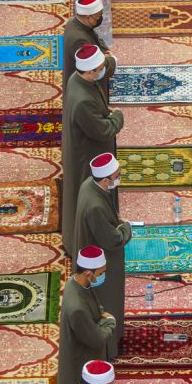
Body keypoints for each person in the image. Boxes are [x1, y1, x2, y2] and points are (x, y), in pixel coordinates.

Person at [54, 245, 117, 384]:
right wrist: (109, 323)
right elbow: (96, 338)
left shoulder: (76, 284)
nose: (103, 277)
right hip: (81, 358)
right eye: (100, 273)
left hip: (82, 352)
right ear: (89, 273)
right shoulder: (77, 307)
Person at [61, 45, 123, 258]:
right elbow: (102, 130)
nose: (102, 71)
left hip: (89, 149)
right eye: (99, 69)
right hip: (88, 152)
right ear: (89, 72)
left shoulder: (78, 80)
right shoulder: (83, 100)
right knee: (91, 199)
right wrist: (117, 117)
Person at [74, 153, 131, 349]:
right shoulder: (96, 205)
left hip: (91, 250)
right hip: (101, 259)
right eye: (117, 176)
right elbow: (112, 240)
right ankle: (110, 345)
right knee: (108, 297)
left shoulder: (89, 184)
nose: (119, 178)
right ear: (106, 180)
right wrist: (126, 228)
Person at [63, 0, 110, 88]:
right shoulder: (79, 40)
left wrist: (105, 49)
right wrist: (110, 60)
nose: (100, 19)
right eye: (98, 16)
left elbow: (95, 36)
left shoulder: (76, 22)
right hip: (83, 84)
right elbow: (94, 67)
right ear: (88, 17)